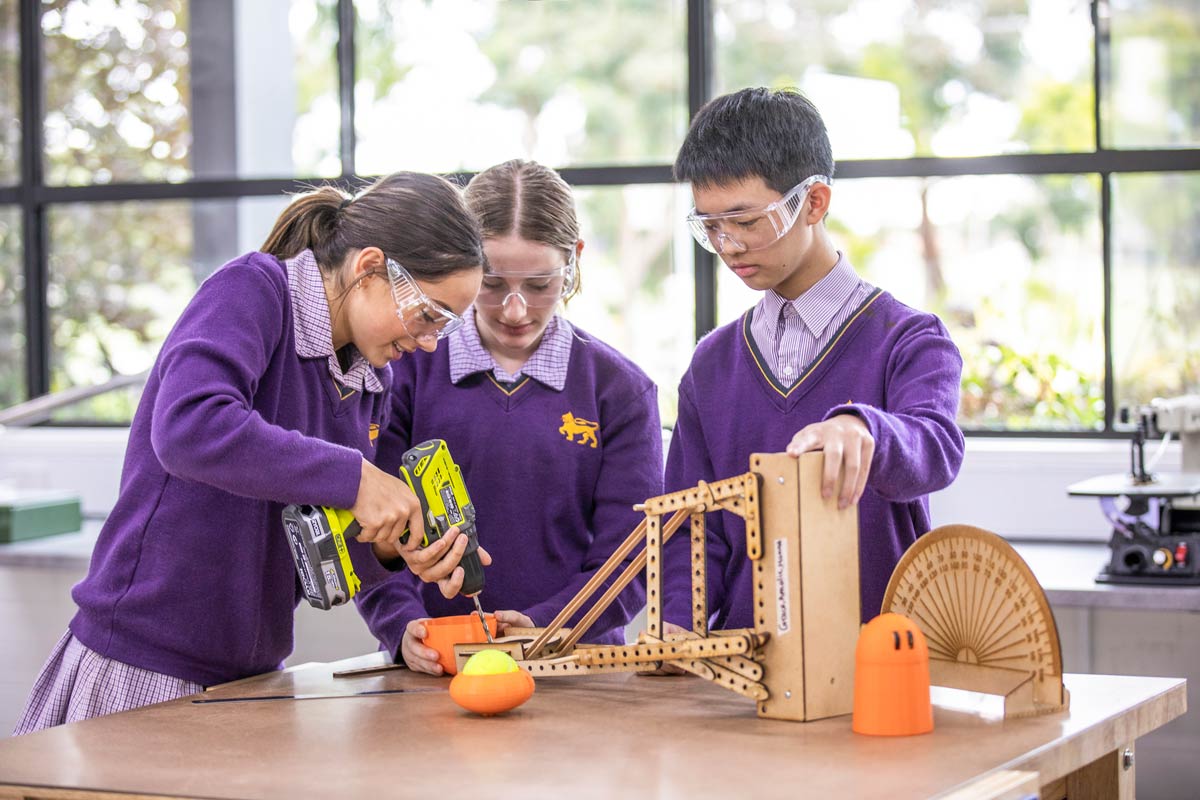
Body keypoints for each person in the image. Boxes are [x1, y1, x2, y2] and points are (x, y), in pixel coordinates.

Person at [14, 171, 488, 734]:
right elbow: (189, 427)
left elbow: (325, 519)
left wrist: (391, 551)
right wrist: (357, 479)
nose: (430, 340)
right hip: (145, 664)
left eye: (446, 326)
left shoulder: (367, 380)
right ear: (369, 268)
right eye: (428, 313)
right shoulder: (255, 290)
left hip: (249, 675)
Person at [661, 88, 965, 633]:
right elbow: (689, 526)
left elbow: (936, 448)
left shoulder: (910, 340)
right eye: (710, 227)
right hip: (745, 669)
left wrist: (864, 428)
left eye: (745, 221)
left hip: (879, 660)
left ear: (814, 202)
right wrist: (677, 631)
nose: (728, 245)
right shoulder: (712, 365)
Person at [355, 160, 662, 674]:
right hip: (433, 670)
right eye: (492, 284)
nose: (515, 310)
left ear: (575, 261)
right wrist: (400, 625)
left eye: (541, 284)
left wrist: (551, 625)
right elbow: (374, 532)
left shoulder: (620, 391)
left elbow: (631, 558)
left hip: (576, 669)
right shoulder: (404, 370)